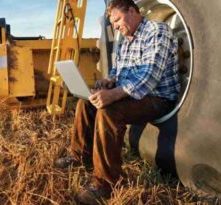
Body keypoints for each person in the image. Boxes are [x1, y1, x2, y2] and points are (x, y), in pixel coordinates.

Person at [54, 0, 180, 204]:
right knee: (85, 104)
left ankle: (105, 184)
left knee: (108, 111)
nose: (115, 26)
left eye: (117, 20)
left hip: (157, 97)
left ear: (132, 11)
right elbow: (118, 69)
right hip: (133, 94)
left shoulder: (157, 31)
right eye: (112, 22)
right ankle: (80, 157)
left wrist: (113, 95)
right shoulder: (126, 39)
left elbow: (149, 76)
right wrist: (109, 81)